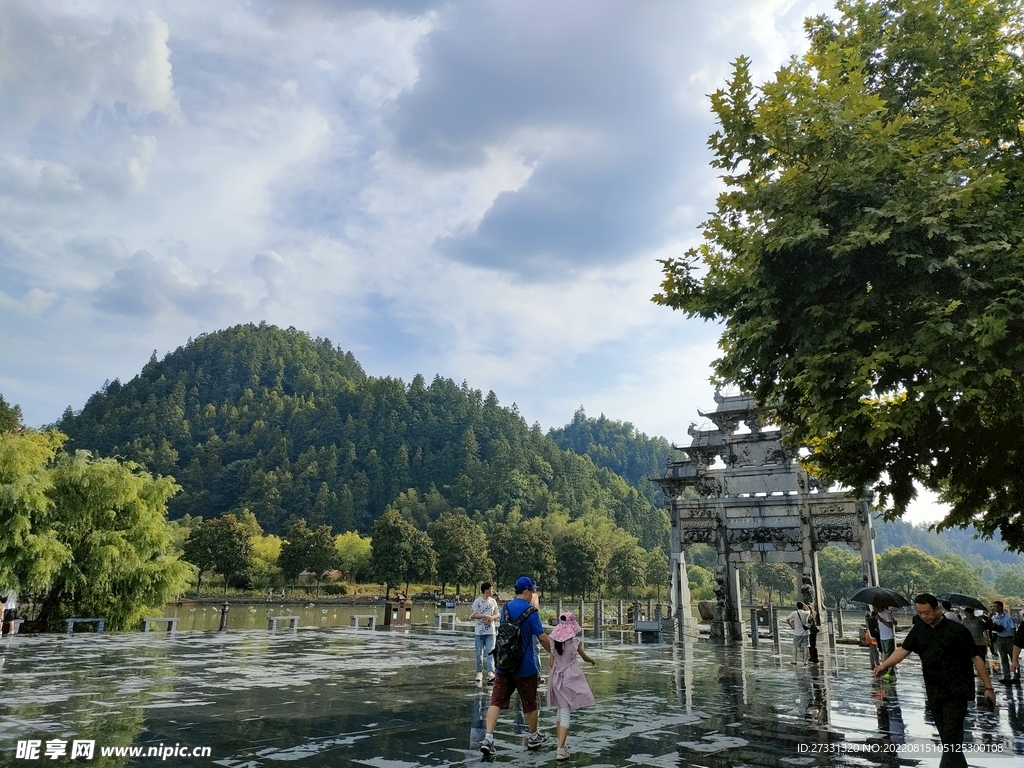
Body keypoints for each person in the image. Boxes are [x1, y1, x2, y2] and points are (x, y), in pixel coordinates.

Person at [874, 593, 995, 768]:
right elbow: (904, 650)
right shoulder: (919, 630)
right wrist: (885, 665)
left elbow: (976, 658)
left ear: (937, 609)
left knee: (952, 735)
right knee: (947, 737)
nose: (923, 616)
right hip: (934, 690)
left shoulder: (957, 631)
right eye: (920, 613)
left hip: (957, 690)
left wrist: (988, 688)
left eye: (927, 612)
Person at [480, 576, 551, 757]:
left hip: (504, 663)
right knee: (530, 702)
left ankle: (488, 738)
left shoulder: (506, 609)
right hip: (525, 666)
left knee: (496, 700)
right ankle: (534, 737)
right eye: (532, 591)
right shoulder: (531, 611)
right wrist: (554, 653)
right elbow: (542, 637)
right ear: (526, 591)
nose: (533, 594)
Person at [547, 612, 596, 761]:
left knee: (560, 711)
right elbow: (585, 657)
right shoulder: (574, 642)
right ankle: (560, 749)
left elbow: (551, 662)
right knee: (566, 712)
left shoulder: (553, 641)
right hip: (570, 679)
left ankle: (561, 742)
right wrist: (592, 661)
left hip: (556, 678)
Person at [470, 581, 500, 684]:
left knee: (490, 652)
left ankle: (491, 672)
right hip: (479, 632)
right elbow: (473, 615)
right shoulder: (478, 601)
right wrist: (484, 616)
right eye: (491, 589)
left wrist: (491, 618)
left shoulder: (493, 601)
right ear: (486, 590)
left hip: (490, 631)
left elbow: (497, 614)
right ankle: (479, 672)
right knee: (479, 653)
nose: (492, 590)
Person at [991, 600, 1016, 684]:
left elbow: (1013, 629)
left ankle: (1016, 676)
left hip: (1009, 639)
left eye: (995, 606)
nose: (994, 608)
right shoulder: (994, 617)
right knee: (1003, 658)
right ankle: (1006, 676)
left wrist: (1014, 641)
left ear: (1000, 607)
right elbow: (993, 628)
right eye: (993, 606)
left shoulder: (1008, 617)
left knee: (1013, 658)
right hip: (1000, 638)